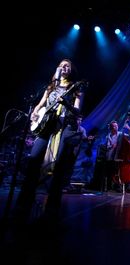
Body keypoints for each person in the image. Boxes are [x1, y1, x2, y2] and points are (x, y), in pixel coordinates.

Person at [12, 59, 87, 226]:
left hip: (65, 124)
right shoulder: (51, 86)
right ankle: (23, 204)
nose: (64, 67)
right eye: (61, 65)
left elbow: (77, 110)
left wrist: (65, 102)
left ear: (71, 70)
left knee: (59, 167)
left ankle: (52, 209)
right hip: (46, 124)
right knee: (33, 161)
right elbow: (40, 104)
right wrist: (35, 113)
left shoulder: (76, 88)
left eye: (67, 65)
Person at [103, 119, 130, 192]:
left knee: (117, 172)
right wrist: (111, 146)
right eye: (114, 126)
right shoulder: (108, 136)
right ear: (111, 127)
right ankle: (109, 187)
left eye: (117, 126)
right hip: (109, 156)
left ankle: (117, 186)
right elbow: (106, 147)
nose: (116, 127)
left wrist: (129, 129)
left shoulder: (120, 134)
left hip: (118, 157)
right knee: (109, 173)